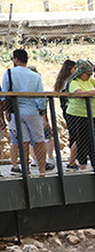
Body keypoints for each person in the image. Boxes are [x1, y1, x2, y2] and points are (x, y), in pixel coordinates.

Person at [1, 48, 49, 176]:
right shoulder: (35, 76)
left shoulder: (9, 73)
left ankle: (26, 169)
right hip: (32, 110)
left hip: (16, 112)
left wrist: (6, 111)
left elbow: (5, 93)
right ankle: (42, 170)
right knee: (39, 140)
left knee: (23, 141)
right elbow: (41, 97)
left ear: (16, 59)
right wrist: (41, 109)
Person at [65, 59, 95, 172]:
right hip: (78, 115)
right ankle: (78, 163)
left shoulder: (90, 80)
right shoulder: (74, 82)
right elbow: (80, 93)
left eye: (91, 74)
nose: (89, 76)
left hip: (92, 114)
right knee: (80, 140)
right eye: (87, 74)